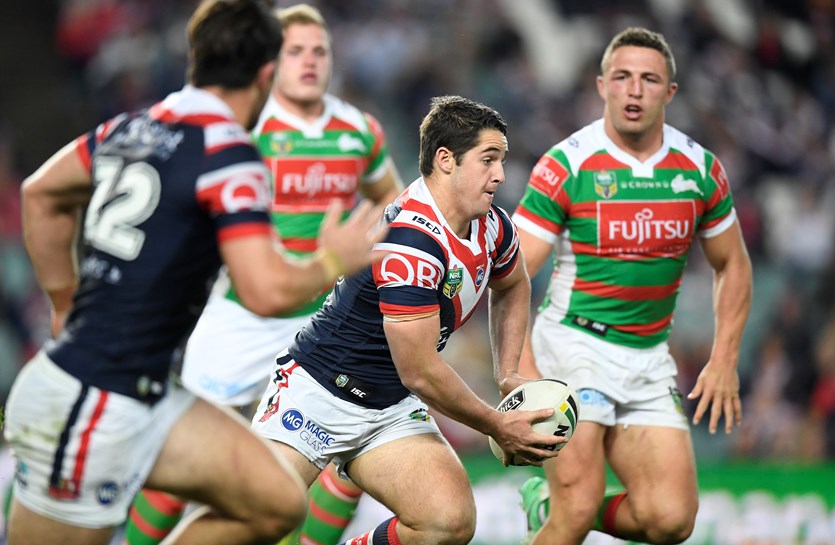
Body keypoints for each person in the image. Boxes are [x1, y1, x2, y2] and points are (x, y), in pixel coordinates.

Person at [1, 1, 388, 544]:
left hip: (147, 389)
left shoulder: (132, 125)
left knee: (275, 504)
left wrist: (64, 301)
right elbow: (266, 290)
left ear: (195, 58)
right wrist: (334, 261)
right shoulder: (230, 151)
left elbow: (40, 192)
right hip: (90, 399)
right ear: (264, 74)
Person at [122, 5, 404, 545]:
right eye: (294, 51)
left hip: (326, 321)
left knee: (347, 445)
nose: (309, 62)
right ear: (271, 63)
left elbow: (391, 202)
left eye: (319, 51)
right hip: (243, 313)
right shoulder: (246, 127)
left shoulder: (357, 131)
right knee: (188, 460)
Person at [246, 95, 566, 545]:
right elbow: (420, 371)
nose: (500, 175)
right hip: (319, 392)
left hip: (389, 405)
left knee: (448, 523)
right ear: (445, 160)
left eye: (502, 160)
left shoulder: (493, 224)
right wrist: (497, 425)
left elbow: (513, 284)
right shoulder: (410, 240)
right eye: (488, 160)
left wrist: (507, 371)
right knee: (251, 520)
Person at [513, 27, 753, 545]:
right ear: (602, 86)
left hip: (648, 357)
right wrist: (519, 370)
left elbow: (732, 263)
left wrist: (725, 358)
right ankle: (561, 506)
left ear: (670, 93)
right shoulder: (566, 165)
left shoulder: (700, 170)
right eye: (622, 77)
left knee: (670, 520)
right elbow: (512, 275)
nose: (635, 90)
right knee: (576, 515)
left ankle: (545, 503)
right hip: (574, 346)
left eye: (649, 79)